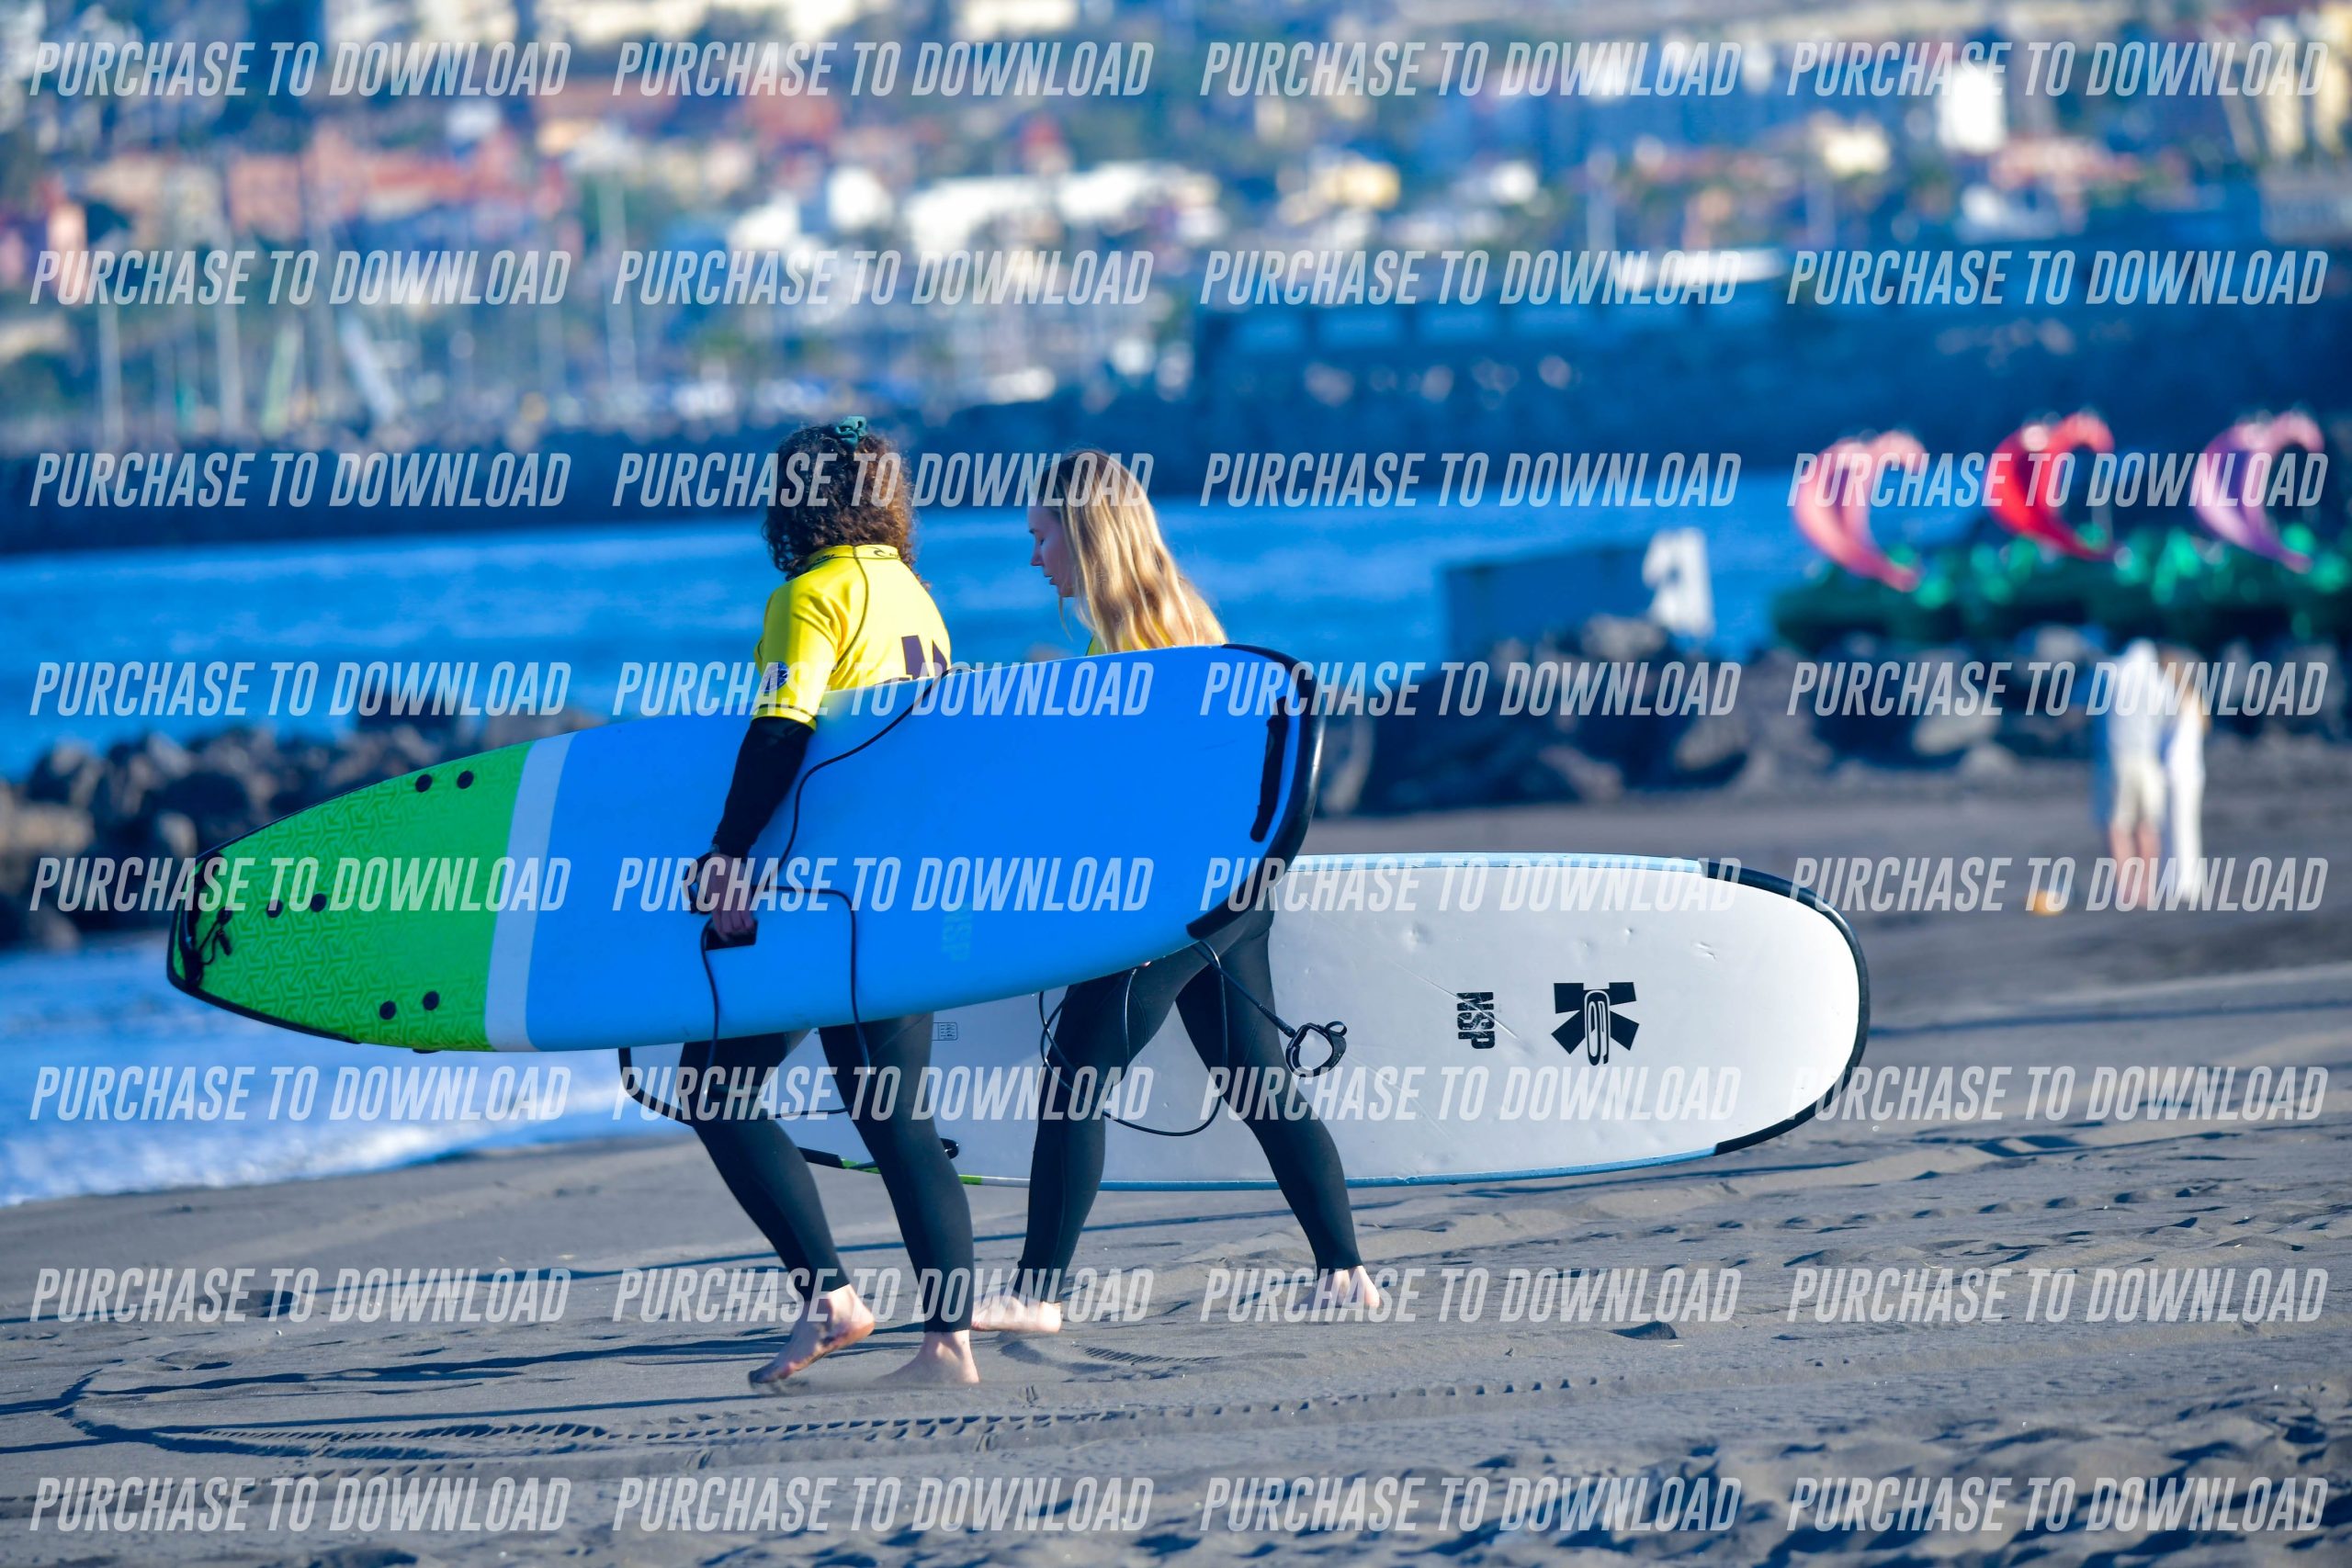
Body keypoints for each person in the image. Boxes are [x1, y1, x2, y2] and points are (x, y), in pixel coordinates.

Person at [973, 450, 1381, 1335]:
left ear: (1086, 533)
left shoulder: (1130, 649)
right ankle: (1346, 1272)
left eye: (1042, 535)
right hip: (1233, 893)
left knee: (1075, 1080)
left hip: (1166, 907)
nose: (1034, 556)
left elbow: (1132, 804)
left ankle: (1037, 1294)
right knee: (1257, 1079)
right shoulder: (1184, 616)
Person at [688, 416, 977, 1387]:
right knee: (893, 1115)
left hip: (824, 898)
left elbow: (782, 728)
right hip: (907, 886)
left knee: (714, 1087)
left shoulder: (809, 596)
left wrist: (727, 854)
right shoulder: (912, 593)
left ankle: (837, 1301)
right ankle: (944, 1341)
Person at [2095, 637, 2167, 907]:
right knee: (2147, 825)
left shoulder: (2111, 672)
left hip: (2117, 758)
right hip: (2149, 759)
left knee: (2117, 825)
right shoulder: (2157, 679)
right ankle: (2147, 887)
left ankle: (2125, 887)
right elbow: (2166, 717)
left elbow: (2083, 705)